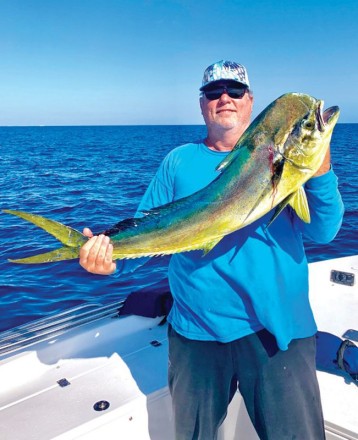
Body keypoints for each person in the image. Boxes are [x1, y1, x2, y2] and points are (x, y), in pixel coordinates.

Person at [79, 60, 344, 439]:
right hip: (196, 334)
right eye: (214, 92)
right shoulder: (177, 162)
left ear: (250, 102)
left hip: (279, 332)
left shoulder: (285, 165)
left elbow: (324, 230)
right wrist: (106, 260)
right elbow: (145, 234)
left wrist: (319, 164)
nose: (225, 99)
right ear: (202, 104)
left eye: (235, 92)